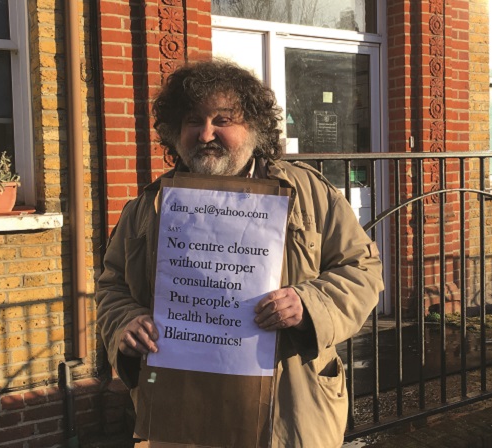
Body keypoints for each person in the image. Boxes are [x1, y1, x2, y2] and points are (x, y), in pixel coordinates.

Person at [96, 59, 384, 447]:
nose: (205, 134)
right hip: (183, 413)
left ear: (254, 127)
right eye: (193, 121)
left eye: (223, 120)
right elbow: (112, 286)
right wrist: (125, 323)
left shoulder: (308, 193)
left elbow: (362, 267)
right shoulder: (148, 207)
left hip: (292, 413)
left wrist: (308, 304)